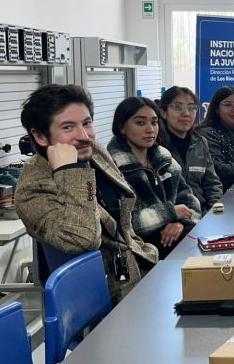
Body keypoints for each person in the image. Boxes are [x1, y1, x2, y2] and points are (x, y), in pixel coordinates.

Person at [14, 85, 158, 304]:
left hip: (139, 273)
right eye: (68, 127)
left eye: (87, 123)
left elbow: (123, 216)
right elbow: (84, 239)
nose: (84, 136)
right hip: (100, 301)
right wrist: (69, 172)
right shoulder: (33, 190)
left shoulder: (94, 151)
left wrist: (146, 251)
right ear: (41, 136)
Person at [108, 97, 201, 259]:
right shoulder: (113, 168)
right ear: (122, 127)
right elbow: (123, 224)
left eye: (154, 122)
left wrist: (179, 223)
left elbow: (190, 201)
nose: (150, 129)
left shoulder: (164, 159)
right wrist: (170, 213)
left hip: (177, 240)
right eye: (140, 123)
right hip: (140, 252)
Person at [158, 86, 223, 215]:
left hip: (203, 215)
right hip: (173, 219)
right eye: (178, 107)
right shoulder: (156, 147)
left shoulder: (200, 142)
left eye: (192, 107)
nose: (186, 113)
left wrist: (210, 214)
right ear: (163, 112)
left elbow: (212, 184)